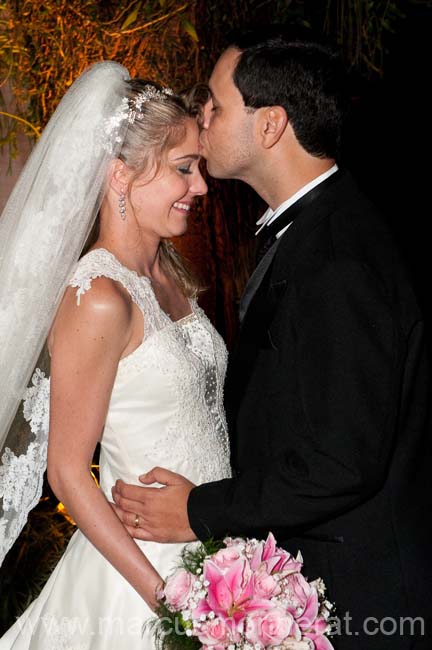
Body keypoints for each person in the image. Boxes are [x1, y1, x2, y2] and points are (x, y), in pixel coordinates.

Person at [112, 26, 432, 649]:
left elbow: (341, 461)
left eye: (216, 105)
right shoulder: (318, 232)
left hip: (360, 604)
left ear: (270, 126)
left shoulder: (338, 256)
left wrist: (200, 512)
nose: (201, 118)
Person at [0, 61, 231, 648]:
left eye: (199, 167)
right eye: (184, 168)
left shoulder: (172, 275)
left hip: (216, 554)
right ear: (121, 175)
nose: (201, 186)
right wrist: (170, 603)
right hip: (141, 582)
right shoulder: (99, 296)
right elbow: (68, 472)